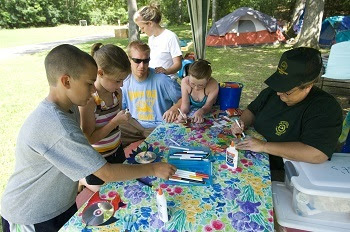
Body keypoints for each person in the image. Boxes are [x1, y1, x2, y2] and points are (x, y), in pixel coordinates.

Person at [1, 44, 176, 231]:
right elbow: (106, 172)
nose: (94, 90)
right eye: (88, 83)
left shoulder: (69, 108)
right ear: (66, 81)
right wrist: (153, 168)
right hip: (32, 214)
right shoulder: (58, 125)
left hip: (60, 205)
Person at [231, 47, 343, 180]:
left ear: (308, 87)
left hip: (286, 175)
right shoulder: (273, 92)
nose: (278, 93)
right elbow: (252, 110)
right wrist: (242, 123)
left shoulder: (325, 109)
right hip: (253, 162)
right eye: (279, 86)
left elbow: (317, 153)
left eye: (286, 90)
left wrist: (264, 146)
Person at [78, 43, 131, 192]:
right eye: (117, 80)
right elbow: (89, 139)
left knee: (121, 187)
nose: (120, 85)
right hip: (97, 159)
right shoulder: (89, 101)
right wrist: (115, 122)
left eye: (123, 80)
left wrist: (122, 118)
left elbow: (115, 122)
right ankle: (83, 180)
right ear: (100, 73)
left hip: (116, 149)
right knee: (105, 193)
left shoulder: (116, 93)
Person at [120, 41, 182, 147]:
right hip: (134, 125)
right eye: (137, 61)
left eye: (146, 61)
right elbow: (122, 108)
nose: (142, 66)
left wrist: (174, 108)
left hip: (158, 125)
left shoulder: (162, 79)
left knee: (173, 142)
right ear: (128, 59)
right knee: (112, 135)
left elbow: (184, 98)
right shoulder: (124, 81)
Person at [134, 4, 182, 79]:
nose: (142, 31)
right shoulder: (151, 38)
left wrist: (166, 71)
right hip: (153, 80)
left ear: (150, 23)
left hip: (167, 81)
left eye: (142, 28)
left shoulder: (170, 37)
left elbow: (178, 64)